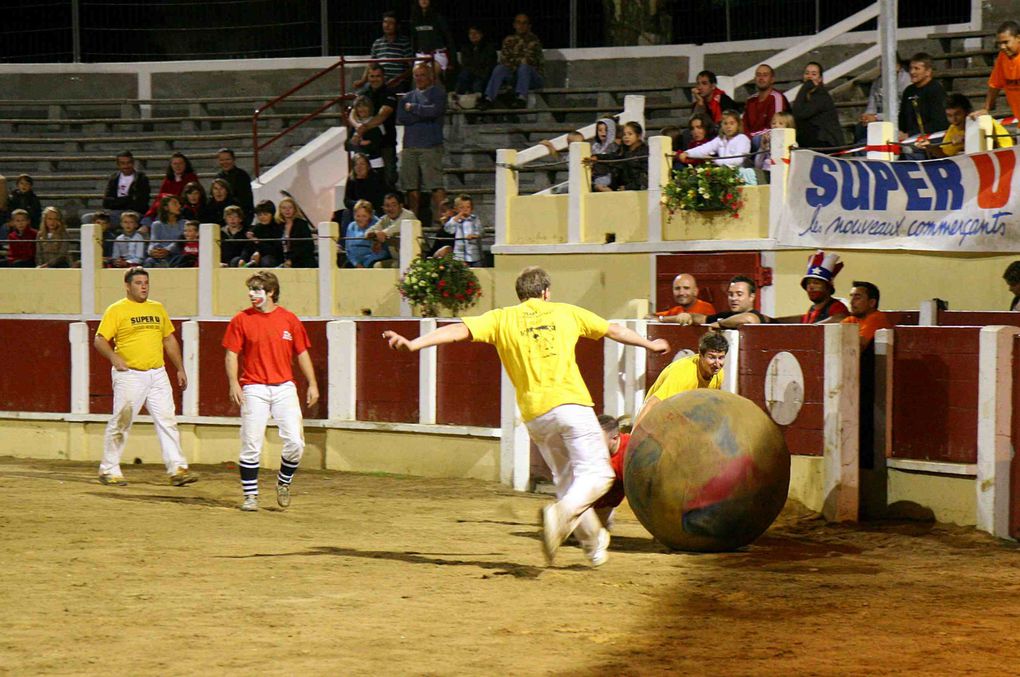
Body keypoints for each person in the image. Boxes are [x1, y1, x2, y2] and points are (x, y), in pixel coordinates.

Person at [382, 266, 671, 567]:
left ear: (520, 295)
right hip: (571, 405)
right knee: (597, 476)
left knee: (569, 482)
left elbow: (457, 330)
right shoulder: (566, 312)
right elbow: (614, 330)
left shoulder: (502, 318)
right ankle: (560, 515)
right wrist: (650, 344)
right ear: (546, 292)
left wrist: (415, 343)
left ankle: (593, 545)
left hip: (537, 417)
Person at [223, 271, 319, 512]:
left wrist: (313, 383)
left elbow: (302, 353)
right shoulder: (241, 319)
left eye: (257, 290)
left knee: (296, 443)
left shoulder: (289, 319)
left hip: (284, 387)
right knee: (251, 442)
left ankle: (283, 482)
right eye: (251, 289)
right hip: (253, 387)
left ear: (271, 292)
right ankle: (251, 496)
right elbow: (231, 354)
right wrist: (234, 382)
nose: (251, 294)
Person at [93, 267, 197, 487]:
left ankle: (177, 468)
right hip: (129, 374)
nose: (143, 286)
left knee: (168, 420)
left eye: (146, 282)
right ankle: (108, 469)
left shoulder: (157, 308)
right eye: (139, 283)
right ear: (128, 286)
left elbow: (168, 340)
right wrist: (113, 357)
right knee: (122, 421)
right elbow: (100, 339)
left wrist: (179, 368)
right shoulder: (117, 310)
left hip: (157, 374)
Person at [637, 331, 729, 423]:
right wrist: (635, 436)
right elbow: (651, 404)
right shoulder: (683, 374)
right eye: (712, 357)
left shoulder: (718, 374)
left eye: (721, 358)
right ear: (701, 355)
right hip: (659, 420)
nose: (717, 364)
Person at [397, 63, 447, 221]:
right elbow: (403, 118)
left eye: (423, 75)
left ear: (430, 76)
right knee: (411, 189)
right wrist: (422, 112)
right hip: (409, 147)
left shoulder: (438, 93)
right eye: (416, 75)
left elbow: (435, 111)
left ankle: (443, 223)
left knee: (435, 186)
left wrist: (413, 108)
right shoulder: (407, 97)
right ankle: (412, 223)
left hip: (430, 146)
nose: (419, 78)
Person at [917, 92, 1014, 158]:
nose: (954, 120)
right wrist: (931, 147)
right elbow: (945, 155)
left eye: (957, 114)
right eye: (949, 115)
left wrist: (966, 138)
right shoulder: (953, 129)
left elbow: (1007, 148)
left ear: (967, 112)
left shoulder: (982, 121)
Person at [481, 14, 544, 109]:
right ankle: (488, 98)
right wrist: (515, 62)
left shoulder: (534, 41)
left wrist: (514, 61)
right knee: (500, 68)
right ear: (514, 25)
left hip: (533, 78)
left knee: (524, 67)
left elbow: (529, 61)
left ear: (529, 26)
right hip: (516, 76)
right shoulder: (508, 40)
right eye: (518, 22)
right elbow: (504, 60)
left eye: (524, 23)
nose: (521, 26)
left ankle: (521, 98)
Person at [678, 110, 755, 184]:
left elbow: (738, 160)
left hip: (740, 175)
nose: (728, 126)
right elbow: (704, 148)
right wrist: (687, 153)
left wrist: (715, 160)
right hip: (723, 174)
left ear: (738, 125)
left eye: (732, 123)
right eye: (725, 123)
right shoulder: (720, 139)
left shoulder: (743, 139)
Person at [898, 53, 948, 160]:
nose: (912, 72)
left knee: (911, 150)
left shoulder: (936, 90)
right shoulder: (908, 91)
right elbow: (902, 116)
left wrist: (910, 134)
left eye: (917, 69)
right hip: (909, 137)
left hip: (932, 137)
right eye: (911, 68)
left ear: (928, 72)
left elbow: (939, 123)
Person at [775, 251, 849, 324]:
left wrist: (813, 327)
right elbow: (801, 320)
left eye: (816, 283)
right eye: (808, 283)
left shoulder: (837, 307)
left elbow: (840, 319)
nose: (811, 287)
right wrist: (772, 320)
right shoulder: (812, 309)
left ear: (828, 287)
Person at [357, 64, 400, 188]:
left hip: (386, 145)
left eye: (378, 76)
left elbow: (383, 115)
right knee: (364, 181)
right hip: (366, 146)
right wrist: (356, 127)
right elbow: (353, 113)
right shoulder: (363, 93)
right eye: (371, 76)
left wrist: (363, 127)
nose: (374, 79)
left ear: (383, 77)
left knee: (388, 179)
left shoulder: (390, 93)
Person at [972, 21, 1020, 124]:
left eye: (1006, 42)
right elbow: (995, 85)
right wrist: (986, 109)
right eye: (1000, 43)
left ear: (1018, 38)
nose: (1002, 47)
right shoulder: (1002, 57)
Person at [352, 11, 413, 89]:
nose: (387, 25)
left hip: (398, 83)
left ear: (397, 26)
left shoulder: (404, 43)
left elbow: (411, 67)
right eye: (385, 22)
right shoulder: (377, 43)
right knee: (362, 94)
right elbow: (371, 64)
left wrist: (397, 79)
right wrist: (362, 80)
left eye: (391, 23)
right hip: (379, 81)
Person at [680, 275, 768, 328]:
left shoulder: (756, 316)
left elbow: (749, 319)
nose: (734, 298)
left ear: (752, 296)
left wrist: (721, 323)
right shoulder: (726, 316)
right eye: (731, 294)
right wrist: (688, 315)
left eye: (739, 294)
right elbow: (702, 319)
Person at [791, 61, 844, 150]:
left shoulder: (821, 95)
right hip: (816, 137)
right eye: (807, 73)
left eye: (814, 74)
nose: (809, 77)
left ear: (820, 79)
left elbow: (799, 114)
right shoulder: (807, 94)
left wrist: (804, 87)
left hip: (828, 141)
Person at [591, 415, 630, 531]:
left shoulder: (632, 451)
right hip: (597, 502)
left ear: (614, 438)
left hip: (609, 502)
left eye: (598, 439)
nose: (593, 443)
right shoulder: (592, 453)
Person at [584, 121, 648, 192]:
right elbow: (612, 157)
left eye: (630, 134)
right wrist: (597, 157)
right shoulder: (623, 150)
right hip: (621, 187)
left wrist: (627, 187)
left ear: (638, 135)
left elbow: (644, 177)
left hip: (637, 189)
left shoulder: (644, 152)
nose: (626, 137)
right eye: (624, 134)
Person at [143, 152, 198, 225]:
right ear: (171, 165)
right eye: (175, 164)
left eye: (180, 163)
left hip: (182, 209)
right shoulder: (168, 179)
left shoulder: (191, 178)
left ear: (185, 165)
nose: (178, 166)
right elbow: (161, 197)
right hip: (168, 208)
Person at [743, 64, 791, 144]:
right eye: (758, 75)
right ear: (755, 79)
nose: (761, 78)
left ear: (772, 79)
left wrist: (751, 137)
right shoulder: (750, 100)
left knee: (756, 140)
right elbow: (744, 126)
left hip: (770, 140)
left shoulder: (777, 97)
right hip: (750, 140)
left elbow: (777, 127)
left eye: (765, 75)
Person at [101, 151, 151, 226]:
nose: (126, 166)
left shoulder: (141, 178)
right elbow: (106, 202)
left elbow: (141, 203)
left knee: (127, 219)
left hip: (134, 213)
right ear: (118, 165)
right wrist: (128, 199)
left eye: (128, 163)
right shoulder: (114, 178)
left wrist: (117, 202)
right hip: (115, 213)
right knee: (88, 218)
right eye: (122, 163)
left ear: (133, 163)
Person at [366, 191, 416, 264]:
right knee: (377, 265)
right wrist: (376, 234)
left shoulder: (409, 216)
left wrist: (381, 234)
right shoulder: (385, 219)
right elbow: (368, 232)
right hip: (397, 259)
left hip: (414, 259)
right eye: (387, 206)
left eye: (394, 205)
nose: (390, 208)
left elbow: (395, 228)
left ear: (401, 206)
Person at [410, 0, 455, 79]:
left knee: (428, 76)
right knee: (417, 76)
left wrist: (452, 61)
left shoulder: (438, 18)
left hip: (438, 55)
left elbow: (449, 39)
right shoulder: (414, 19)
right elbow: (414, 40)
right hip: (421, 55)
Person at [341, 154, 387, 227]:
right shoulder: (351, 179)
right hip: (357, 209)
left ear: (368, 166)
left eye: (362, 164)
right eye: (356, 164)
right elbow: (347, 200)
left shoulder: (375, 177)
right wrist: (358, 205)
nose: (359, 167)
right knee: (346, 213)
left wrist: (365, 205)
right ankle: (347, 237)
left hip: (372, 208)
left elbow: (380, 198)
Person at [842, 281, 892, 348]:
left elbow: (858, 346)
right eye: (851, 297)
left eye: (857, 298)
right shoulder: (852, 319)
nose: (851, 302)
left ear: (872, 302)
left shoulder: (876, 318)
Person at [455, 25, 497, 99]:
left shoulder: (489, 48)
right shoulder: (465, 48)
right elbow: (466, 65)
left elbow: (489, 66)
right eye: (471, 33)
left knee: (478, 83)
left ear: (481, 35)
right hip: (471, 74)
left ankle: (479, 100)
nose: (473, 35)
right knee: (464, 74)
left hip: (483, 75)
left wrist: (479, 74)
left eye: (476, 33)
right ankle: (457, 97)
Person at [652, 273, 717, 321]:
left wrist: (663, 319)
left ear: (695, 291)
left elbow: (692, 319)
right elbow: (649, 316)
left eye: (686, 288)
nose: (681, 293)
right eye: (677, 288)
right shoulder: (676, 310)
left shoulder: (706, 307)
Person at [343, 200, 387, 268]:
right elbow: (348, 250)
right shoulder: (351, 226)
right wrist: (356, 264)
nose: (360, 219)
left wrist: (366, 264)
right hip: (355, 263)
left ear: (370, 215)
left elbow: (383, 251)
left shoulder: (377, 225)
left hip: (371, 261)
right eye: (358, 216)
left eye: (364, 216)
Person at [346, 96, 386, 171]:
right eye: (359, 107)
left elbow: (379, 143)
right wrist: (356, 142)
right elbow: (347, 146)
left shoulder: (376, 123)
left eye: (365, 106)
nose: (362, 109)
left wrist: (359, 142)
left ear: (370, 108)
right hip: (357, 165)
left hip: (374, 163)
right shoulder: (355, 124)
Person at [443, 193, 483, 266]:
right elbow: (448, 230)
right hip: (459, 255)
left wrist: (474, 235)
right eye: (462, 207)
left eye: (468, 207)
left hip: (474, 254)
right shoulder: (455, 220)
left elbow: (480, 231)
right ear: (456, 209)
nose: (465, 209)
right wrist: (457, 218)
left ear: (471, 208)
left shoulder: (475, 219)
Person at [146, 195, 184, 268]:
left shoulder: (184, 223)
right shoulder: (156, 224)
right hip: (159, 255)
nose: (179, 206)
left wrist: (168, 250)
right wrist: (151, 251)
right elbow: (153, 242)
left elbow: (179, 242)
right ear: (166, 207)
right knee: (149, 261)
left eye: (179, 203)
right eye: (175, 203)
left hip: (176, 255)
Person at [244, 200, 284, 268]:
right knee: (237, 261)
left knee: (266, 260)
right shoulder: (256, 228)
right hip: (255, 258)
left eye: (265, 214)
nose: (262, 217)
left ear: (272, 214)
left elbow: (275, 250)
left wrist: (258, 243)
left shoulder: (278, 227)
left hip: (275, 258)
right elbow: (247, 248)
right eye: (259, 215)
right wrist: (242, 259)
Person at [755, 111, 795, 178]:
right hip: (766, 173)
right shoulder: (767, 142)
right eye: (773, 123)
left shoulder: (792, 144)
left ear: (788, 127)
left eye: (780, 123)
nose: (776, 125)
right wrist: (762, 148)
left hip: (781, 176)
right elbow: (757, 165)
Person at [278, 197, 315, 268]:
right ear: (280, 210)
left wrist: (291, 260)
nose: (287, 210)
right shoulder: (278, 225)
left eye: (290, 207)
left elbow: (308, 246)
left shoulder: (302, 224)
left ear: (294, 209)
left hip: (300, 259)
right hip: (283, 259)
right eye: (284, 208)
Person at [216, 149, 254, 219]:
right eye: (221, 160)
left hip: (240, 216)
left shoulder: (242, 175)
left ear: (234, 160)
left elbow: (245, 200)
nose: (224, 162)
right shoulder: (219, 176)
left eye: (227, 159)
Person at [590, 118, 618, 190]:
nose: (603, 132)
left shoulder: (613, 146)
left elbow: (611, 160)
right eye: (600, 130)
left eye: (606, 130)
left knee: (599, 184)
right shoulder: (595, 146)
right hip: (595, 175)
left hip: (608, 175)